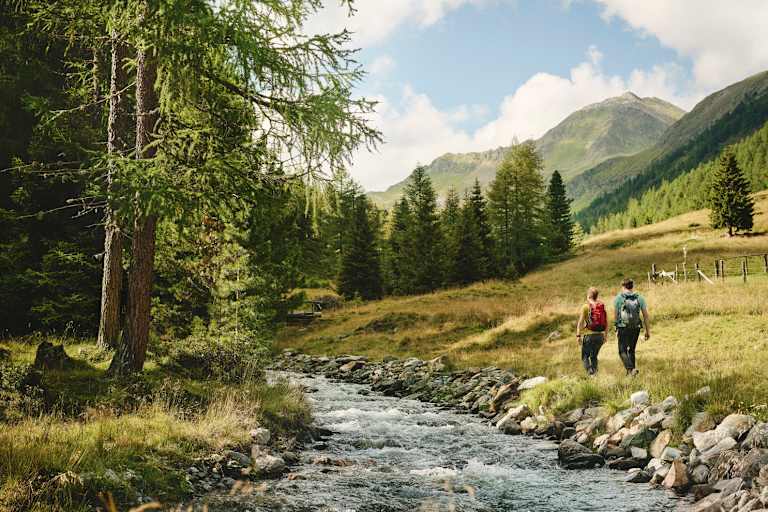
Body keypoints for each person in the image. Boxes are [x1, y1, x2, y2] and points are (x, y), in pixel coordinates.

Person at [613, 278, 651, 376]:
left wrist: (616, 327)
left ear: (623, 286)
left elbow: (616, 315)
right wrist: (647, 331)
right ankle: (631, 374)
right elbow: (646, 315)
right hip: (636, 327)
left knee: (622, 351)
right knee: (631, 350)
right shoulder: (639, 298)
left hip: (623, 327)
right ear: (632, 286)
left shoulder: (618, 298)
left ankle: (631, 369)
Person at [576, 287, 607, 376]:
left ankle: (591, 373)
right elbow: (606, 322)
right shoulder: (601, 306)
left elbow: (580, 322)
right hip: (600, 336)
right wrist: (605, 336)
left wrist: (578, 335)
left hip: (589, 336)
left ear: (589, 295)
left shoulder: (585, 307)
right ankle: (595, 375)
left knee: (585, 356)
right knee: (594, 356)